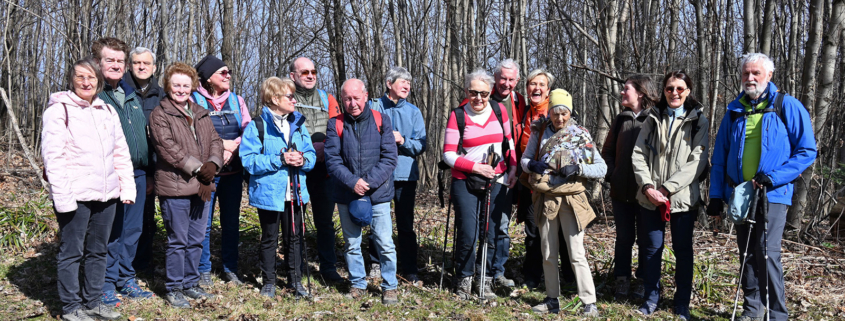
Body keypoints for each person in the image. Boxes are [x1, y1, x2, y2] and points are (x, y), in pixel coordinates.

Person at [708, 53, 817, 321]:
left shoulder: (786, 105)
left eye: (756, 73)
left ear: (769, 76)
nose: (750, 78)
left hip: (773, 194)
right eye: (746, 73)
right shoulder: (734, 111)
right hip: (740, 194)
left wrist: (775, 177)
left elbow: (806, 151)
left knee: (766, 253)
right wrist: (715, 195)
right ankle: (752, 310)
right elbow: (719, 157)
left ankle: (777, 314)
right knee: (746, 254)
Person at [43, 57, 131, 321]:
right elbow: (53, 157)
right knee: (72, 251)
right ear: (72, 79)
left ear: (98, 80)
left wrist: (125, 187)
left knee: (98, 250)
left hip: (106, 195)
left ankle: (93, 301)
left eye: (91, 77)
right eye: (80, 77)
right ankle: (71, 307)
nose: (86, 82)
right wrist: (63, 197)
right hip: (75, 196)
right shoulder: (59, 110)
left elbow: (120, 152)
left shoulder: (107, 110)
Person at [631, 70, 709, 320]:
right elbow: (638, 154)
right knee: (652, 250)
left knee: (683, 251)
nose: (674, 93)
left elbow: (698, 160)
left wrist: (666, 189)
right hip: (650, 198)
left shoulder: (698, 120)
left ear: (688, 91)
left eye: (679, 88)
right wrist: (648, 187)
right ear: (664, 91)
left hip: (682, 199)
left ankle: (681, 304)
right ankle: (651, 299)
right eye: (669, 88)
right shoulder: (653, 117)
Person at [520, 89, 603, 317]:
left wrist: (579, 168)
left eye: (564, 113)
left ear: (570, 112)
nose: (560, 118)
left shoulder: (580, 135)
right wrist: (531, 166)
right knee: (548, 251)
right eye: (555, 113)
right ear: (550, 113)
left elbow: (601, 167)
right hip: (546, 198)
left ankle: (589, 302)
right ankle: (551, 298)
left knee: (576, 253)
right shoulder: (539, 132)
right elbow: (524, 160)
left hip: (572, 199)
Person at [149, 62, 223, 308]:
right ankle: (174, 287)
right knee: (178, 240)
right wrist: (199, 169)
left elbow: (214, 140)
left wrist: (213, 164)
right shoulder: (160, 114)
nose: (181, 89)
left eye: (185, 85)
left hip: (202, 186)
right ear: (168, 86)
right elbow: (168, 149)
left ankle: (191, 283)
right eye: (176, 85)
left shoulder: (200, 111)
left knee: (196, 239)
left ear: (193, 86)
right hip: (176, 186)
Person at [442, 69, 517, 301]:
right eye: (473, 93)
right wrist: (476, 167)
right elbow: (448, 154)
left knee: (491, 232)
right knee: (469, 232)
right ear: (466, 92)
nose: (478, 98)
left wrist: (513, 167)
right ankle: (464, 279)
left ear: (490, 93)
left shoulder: (499, 110)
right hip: (465, 180)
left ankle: (483, 280)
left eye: (483, 94)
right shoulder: (458, 115)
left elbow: (509, 141)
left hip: (497, 179)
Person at [92, 37, 154, 306]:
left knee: (132, 230)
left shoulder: (129, 93)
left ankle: (125, 278)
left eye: (120, 60)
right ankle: (104, 283)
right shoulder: (94, 94)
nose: (116, 65)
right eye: (110, 60)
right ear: (98, 62)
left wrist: (149, 171)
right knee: (110, 232)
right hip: (108, 174)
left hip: (138, 173)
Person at [325, 79, 399, 305]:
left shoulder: (381, 120)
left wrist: (366, 183)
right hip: (346, 193)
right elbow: (332, 160)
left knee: (385, 243)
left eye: (356, 98)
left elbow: (389, 158)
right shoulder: (334, 124)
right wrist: (352, 182)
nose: (352, 103)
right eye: (347, 98)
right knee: (352, 244)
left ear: (366, 96)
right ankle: (358, 283)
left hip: (378, 195)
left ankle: (390, 287)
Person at [241, 77, 316, 299]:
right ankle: (269, 282)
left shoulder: (299, 124)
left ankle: (295, 282)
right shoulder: (257, 126)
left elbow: (311, 155)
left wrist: (302, 160)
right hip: (269, 194)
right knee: (269, 238)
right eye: (290, 96)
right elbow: (248, 160)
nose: (294, 100)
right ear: (274, 99)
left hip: (295, 192)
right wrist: (280, 159)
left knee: (294, 238)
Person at [192, 55, 252, 286]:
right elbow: (193, 132)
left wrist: (234, 147)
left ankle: (230, 268)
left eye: (228, 72)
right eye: (222, 72)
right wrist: (222, 146)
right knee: (203, 224)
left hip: (233, 174)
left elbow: (248, 130)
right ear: (208, 78)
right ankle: (203, 269)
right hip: (206, 175)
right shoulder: (194, 99)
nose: (228, 76)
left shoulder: (238, 101)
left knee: (231, 223)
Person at [366, 66, 427, 286]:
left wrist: (402, 141)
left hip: (404, 176)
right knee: (377, 223)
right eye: (403, 81)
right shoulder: (372, 107)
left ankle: (410, 270)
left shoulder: (414, 112)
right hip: (378, 174)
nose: (407, 86)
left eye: (409, 83)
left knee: (405, 225)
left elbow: (422, 144)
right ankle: (375, 265)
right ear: (389, 83)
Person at [516, 69, 575, 289]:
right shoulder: (522, 111)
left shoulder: (555, 114)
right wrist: (529, 165)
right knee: (533, 229)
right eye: (532, 84)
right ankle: (532, 276)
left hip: (558, 184)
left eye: (541, 85)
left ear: (548, 90)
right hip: (530, 181)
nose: (536, 89)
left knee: (561, 231)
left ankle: (569, 277)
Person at [601, 74, 657, 301]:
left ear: (641, 93)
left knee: (646, 239)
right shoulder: (620, 119)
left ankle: (644, 281)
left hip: (646, 193)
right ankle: (622, 280)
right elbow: (607, 151)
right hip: (620, 191)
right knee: (624, 239)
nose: (622, 92)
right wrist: (612, 173)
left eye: (626, 89)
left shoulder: (655, 119)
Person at [289, 57, 344, 283]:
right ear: (293, 76)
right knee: (295, 222)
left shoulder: (327, 98)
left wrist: (325, 149)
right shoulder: (286, 97)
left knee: (325, 222)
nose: (310, 75)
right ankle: (296, 267)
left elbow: (339, 129)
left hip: (324, 170)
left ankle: (328, 268)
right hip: (296, 170)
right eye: (304, 72)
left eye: (313, 71)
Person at [122, 47, 166, 275]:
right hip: (123, 167)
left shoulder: (161, 94)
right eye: (137, 63)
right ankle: (120, 269)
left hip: (149, 168)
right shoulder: (120, 89)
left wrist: (152, 172)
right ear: (130, 65)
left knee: (146, 220)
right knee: (122, 222)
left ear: (154, 68)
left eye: (146, 64)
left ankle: (142, 265)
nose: (141, 67)